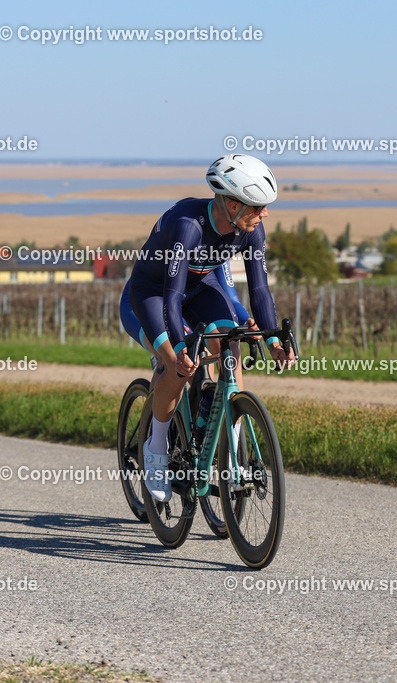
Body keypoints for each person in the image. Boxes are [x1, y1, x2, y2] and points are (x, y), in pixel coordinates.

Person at [119, 154, 295, 502]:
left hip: (199, 290)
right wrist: (179, 349)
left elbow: (259, 289)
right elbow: (171, 297)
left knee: (231, 342)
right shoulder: (189, 225)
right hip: (152, 295)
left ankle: (226, 441)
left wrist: (273, 337)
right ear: (232, 205)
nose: (265, 215)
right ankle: (155, 451)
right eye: (258, 207)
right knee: (177, 364)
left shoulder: (251, 230)